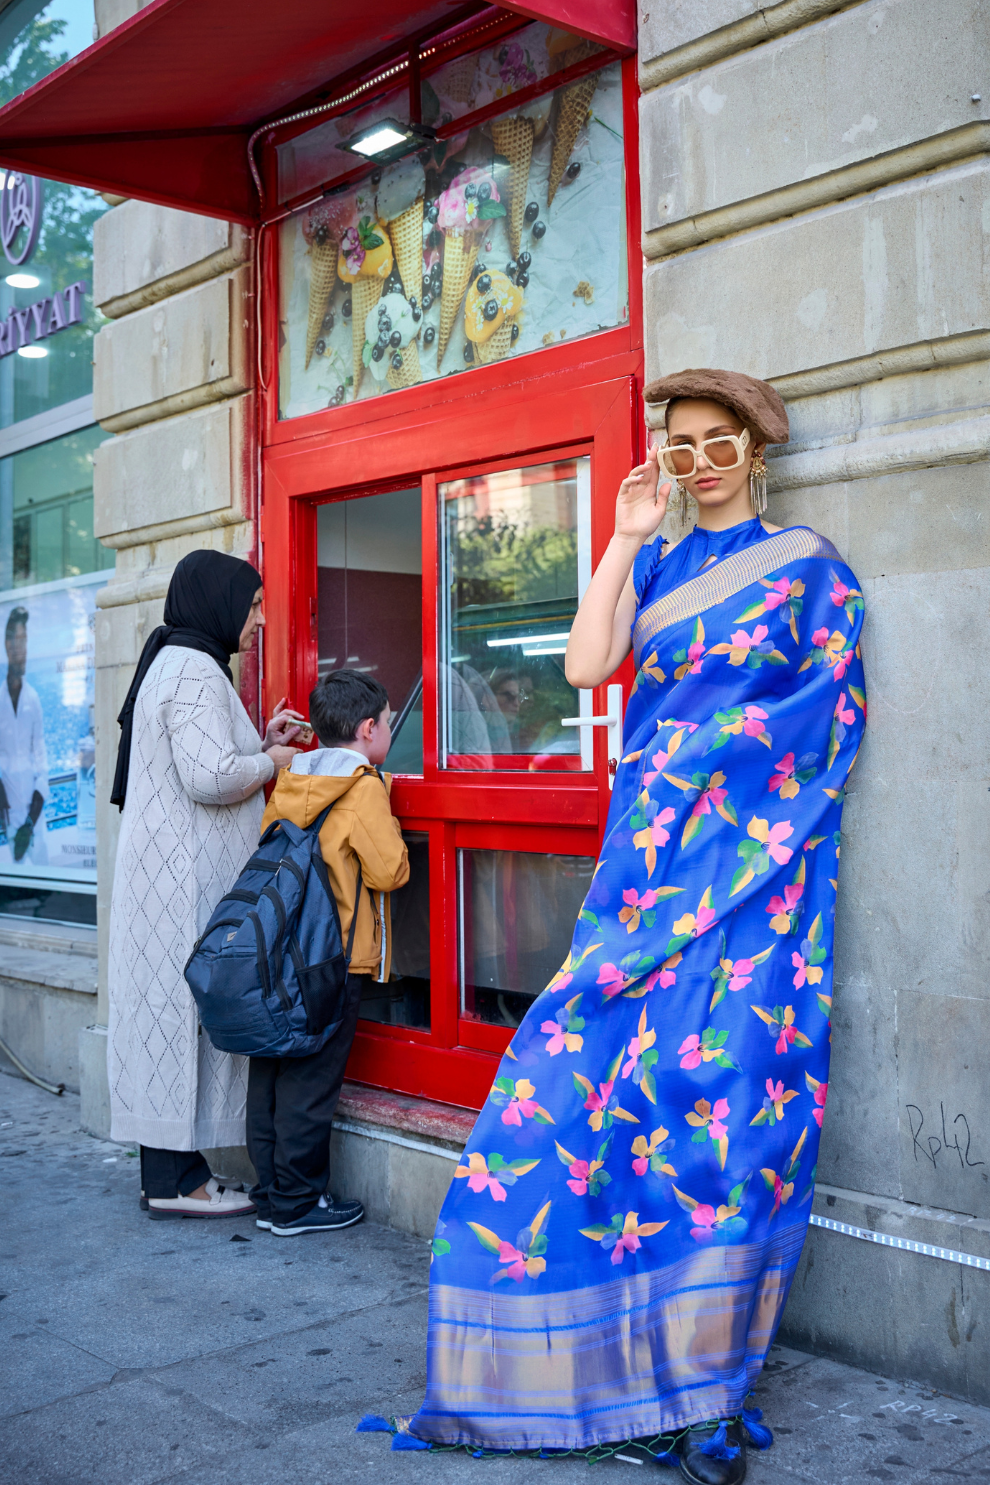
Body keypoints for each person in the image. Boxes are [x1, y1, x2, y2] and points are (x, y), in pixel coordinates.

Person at [404, 370, 867, 1481]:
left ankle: (697, 1378)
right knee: (591, 1091)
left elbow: (827, 718)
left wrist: (699, 768)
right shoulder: (655, 561)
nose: (699, 463)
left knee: (727, 1105)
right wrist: (620, 536)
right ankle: (568, 1360)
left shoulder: (811, 570)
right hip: (643, 877)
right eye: (681, 445)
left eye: (719, 445)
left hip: (752, 883)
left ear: (757, 453)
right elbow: (583, 667)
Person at [107, 550, 302, 1220]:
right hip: (179, 887)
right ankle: (177, 1182)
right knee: (177, 1018)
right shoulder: (193, 668)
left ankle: (172, 1172)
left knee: (167, 1017)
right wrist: (272, 760)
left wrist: (261, 736)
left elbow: (206, 753)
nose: (258, 619)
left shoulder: (181, 659)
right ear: (218, 602)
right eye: (251, 605)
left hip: (166, 881)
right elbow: (210, 775)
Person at [249, 668, 410, 1237]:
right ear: (369, 729)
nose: (388, 731)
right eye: (388, 723)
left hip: (283, 953)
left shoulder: (293, 777)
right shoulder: (364, 786)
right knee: (312, 1081)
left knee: (271, 1070)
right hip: (333, 957)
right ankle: (297, 1203)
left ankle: (270, 1193)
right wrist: (385, 798)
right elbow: (390, 871)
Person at [0, 606, 49, 866]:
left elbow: (42, 768)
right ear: (7, 645)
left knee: (44, 881)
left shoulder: (34, 700)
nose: (20, 647)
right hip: (6, 818)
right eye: (15, 640)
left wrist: (29, 825)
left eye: (24, 640)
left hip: (35, 822)